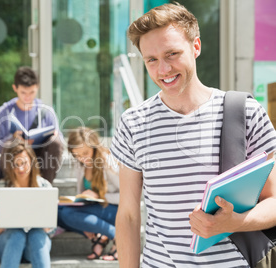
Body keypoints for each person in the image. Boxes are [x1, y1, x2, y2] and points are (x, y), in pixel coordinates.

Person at [110, 3, 276, 267]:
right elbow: (129, 215)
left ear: (196, 47)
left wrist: (236, 222)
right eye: (151, 60)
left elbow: (274, 200)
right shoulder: (133, 122)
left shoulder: (245, 112)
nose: (163, 69)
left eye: (172, 54)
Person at [0, 66, 63, 183]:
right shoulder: (3, 112)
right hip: (15, 162)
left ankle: (45, 186)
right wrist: (13, 139)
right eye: (23, 92)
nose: (28, 97)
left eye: (32, 92)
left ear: (37, 88)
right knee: (9, 143)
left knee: (55, 142)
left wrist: (53, 136)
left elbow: (60, 144)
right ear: (15, 88)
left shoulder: (47, 111)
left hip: (40, 162)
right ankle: (12, 186)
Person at [0, 143, 53, 268]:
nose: (20, 169)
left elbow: (51, 230)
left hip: (33, 247)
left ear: (32, 162)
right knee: (17, 234)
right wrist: (9, 221)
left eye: (24, 163)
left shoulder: (44, 186)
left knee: (37, 234)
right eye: (15, 165)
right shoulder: (0, 187)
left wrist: (41, 222)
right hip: (6, 245)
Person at [58, 127, 119, 260]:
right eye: (77, 155)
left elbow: (127, 196)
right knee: (57, 212)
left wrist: (101, 196)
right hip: (93, 208)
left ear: (94, 146)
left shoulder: (107, 162)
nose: (82, 158)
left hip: (113, 209)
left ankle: (115, 234)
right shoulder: (80, 164)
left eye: (85, 153)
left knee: (68, 214)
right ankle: (98, 234)